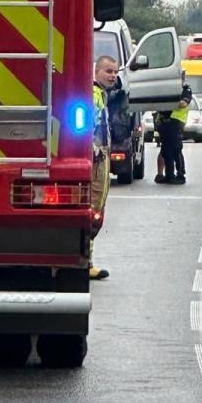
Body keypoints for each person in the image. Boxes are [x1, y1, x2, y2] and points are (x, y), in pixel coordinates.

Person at [90, 58, 113, 280]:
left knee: (98, 207)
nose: (113, 75)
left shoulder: (102, 94)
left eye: (115, 71)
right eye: (108, 71)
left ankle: (87, 259)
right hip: (96, 158)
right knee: (93, 208)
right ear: (96, 71)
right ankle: (85, 261)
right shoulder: (93, 95)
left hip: (102, 156)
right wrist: (93, 149)